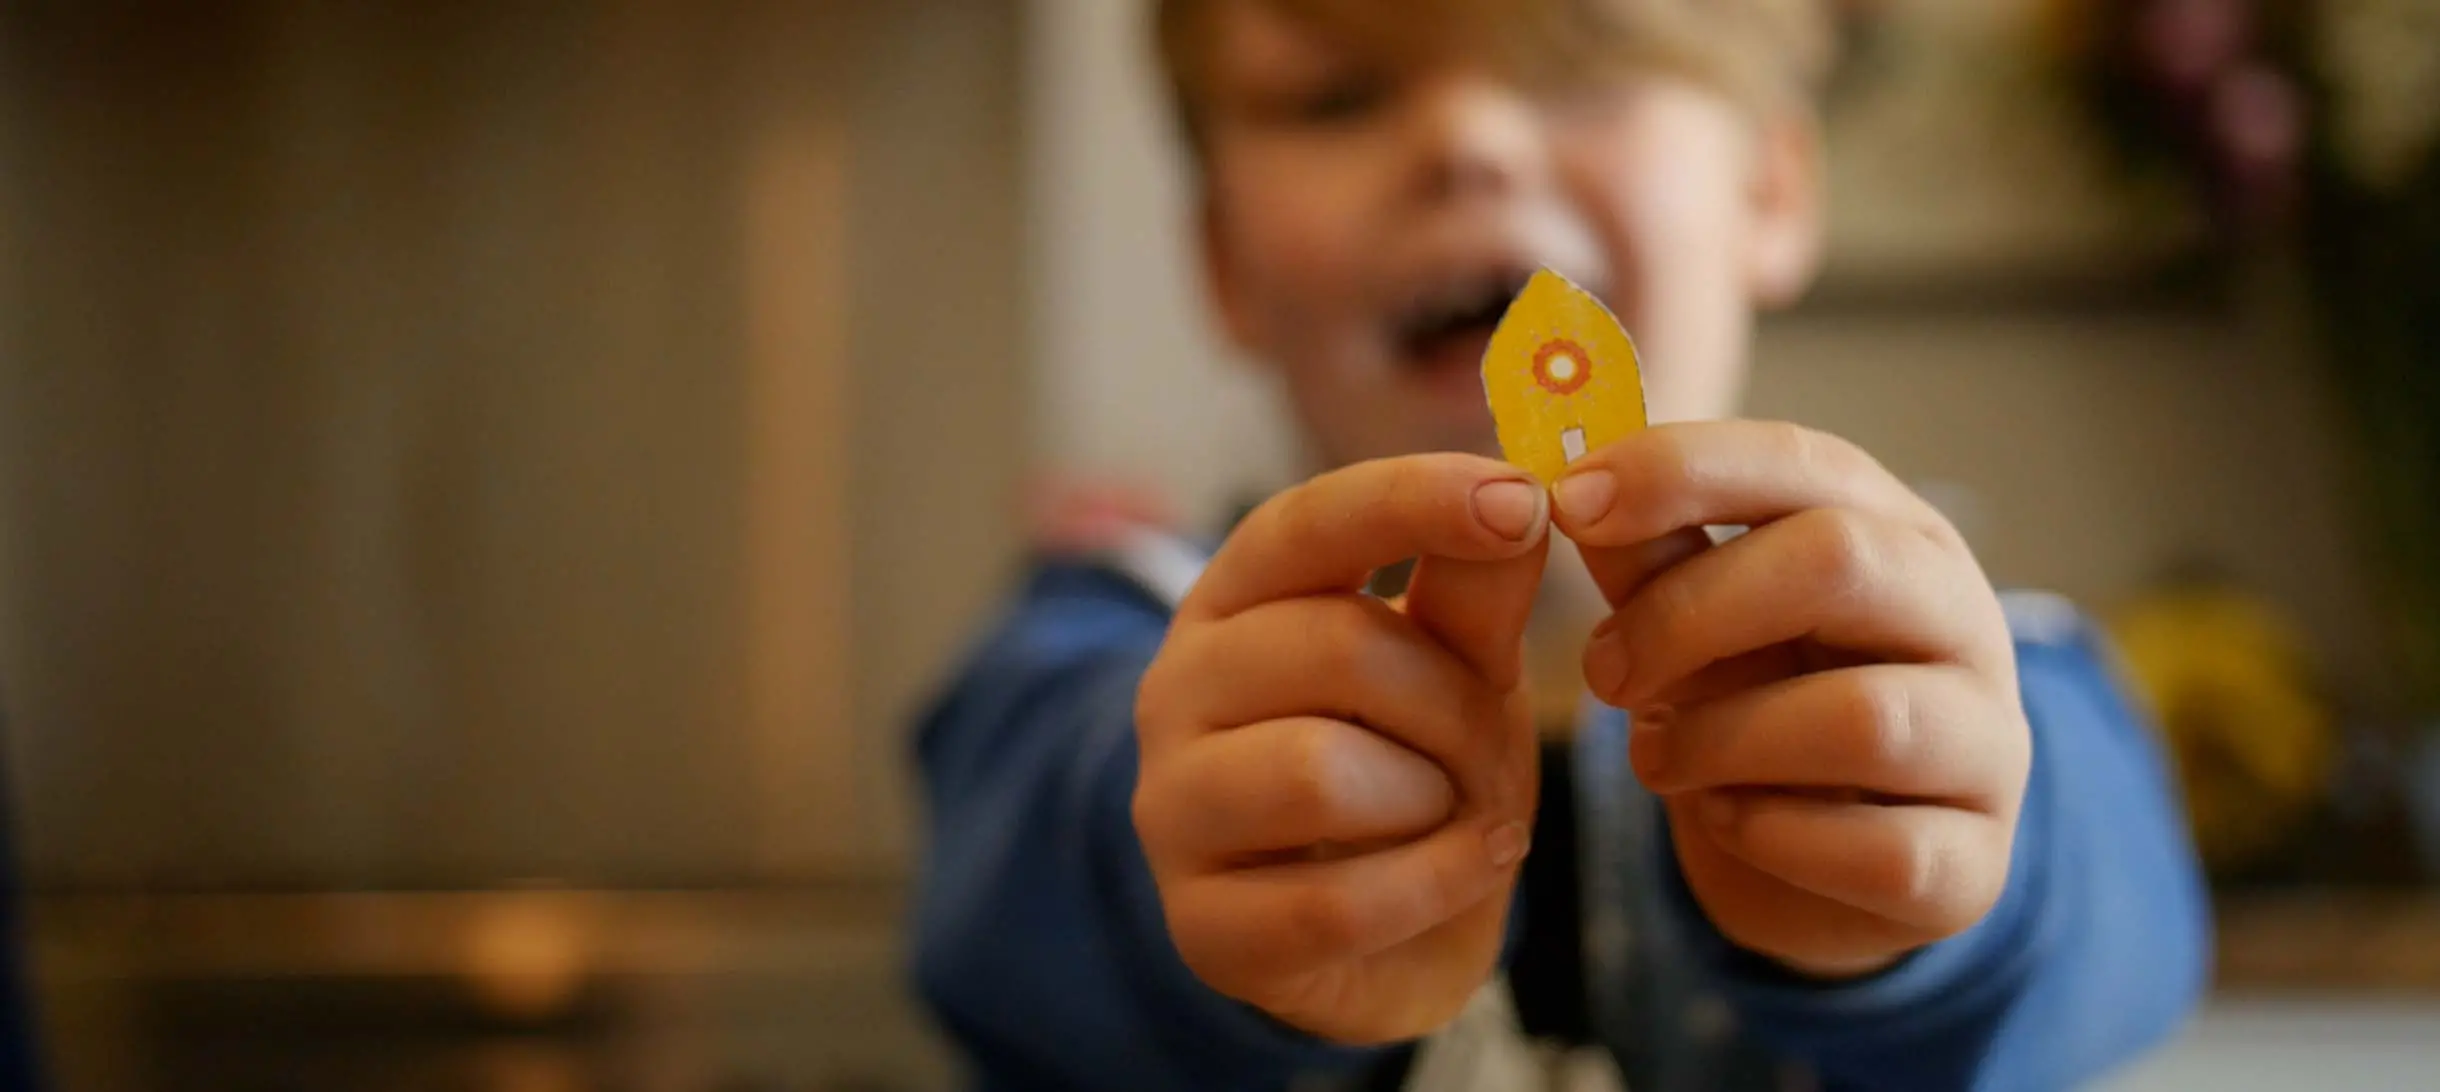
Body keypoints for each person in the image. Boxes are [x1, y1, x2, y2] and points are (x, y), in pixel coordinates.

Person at [910, 1, 2211, 1089]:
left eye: (1581, 66)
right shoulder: (1116, 637)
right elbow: (1003, 883)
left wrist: (1940, 866)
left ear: (1771, 187)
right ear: (1225, 266)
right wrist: (1213, 853)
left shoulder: (1951, 644)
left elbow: (2125, 896)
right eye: (1337, 101)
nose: (1467, 140)